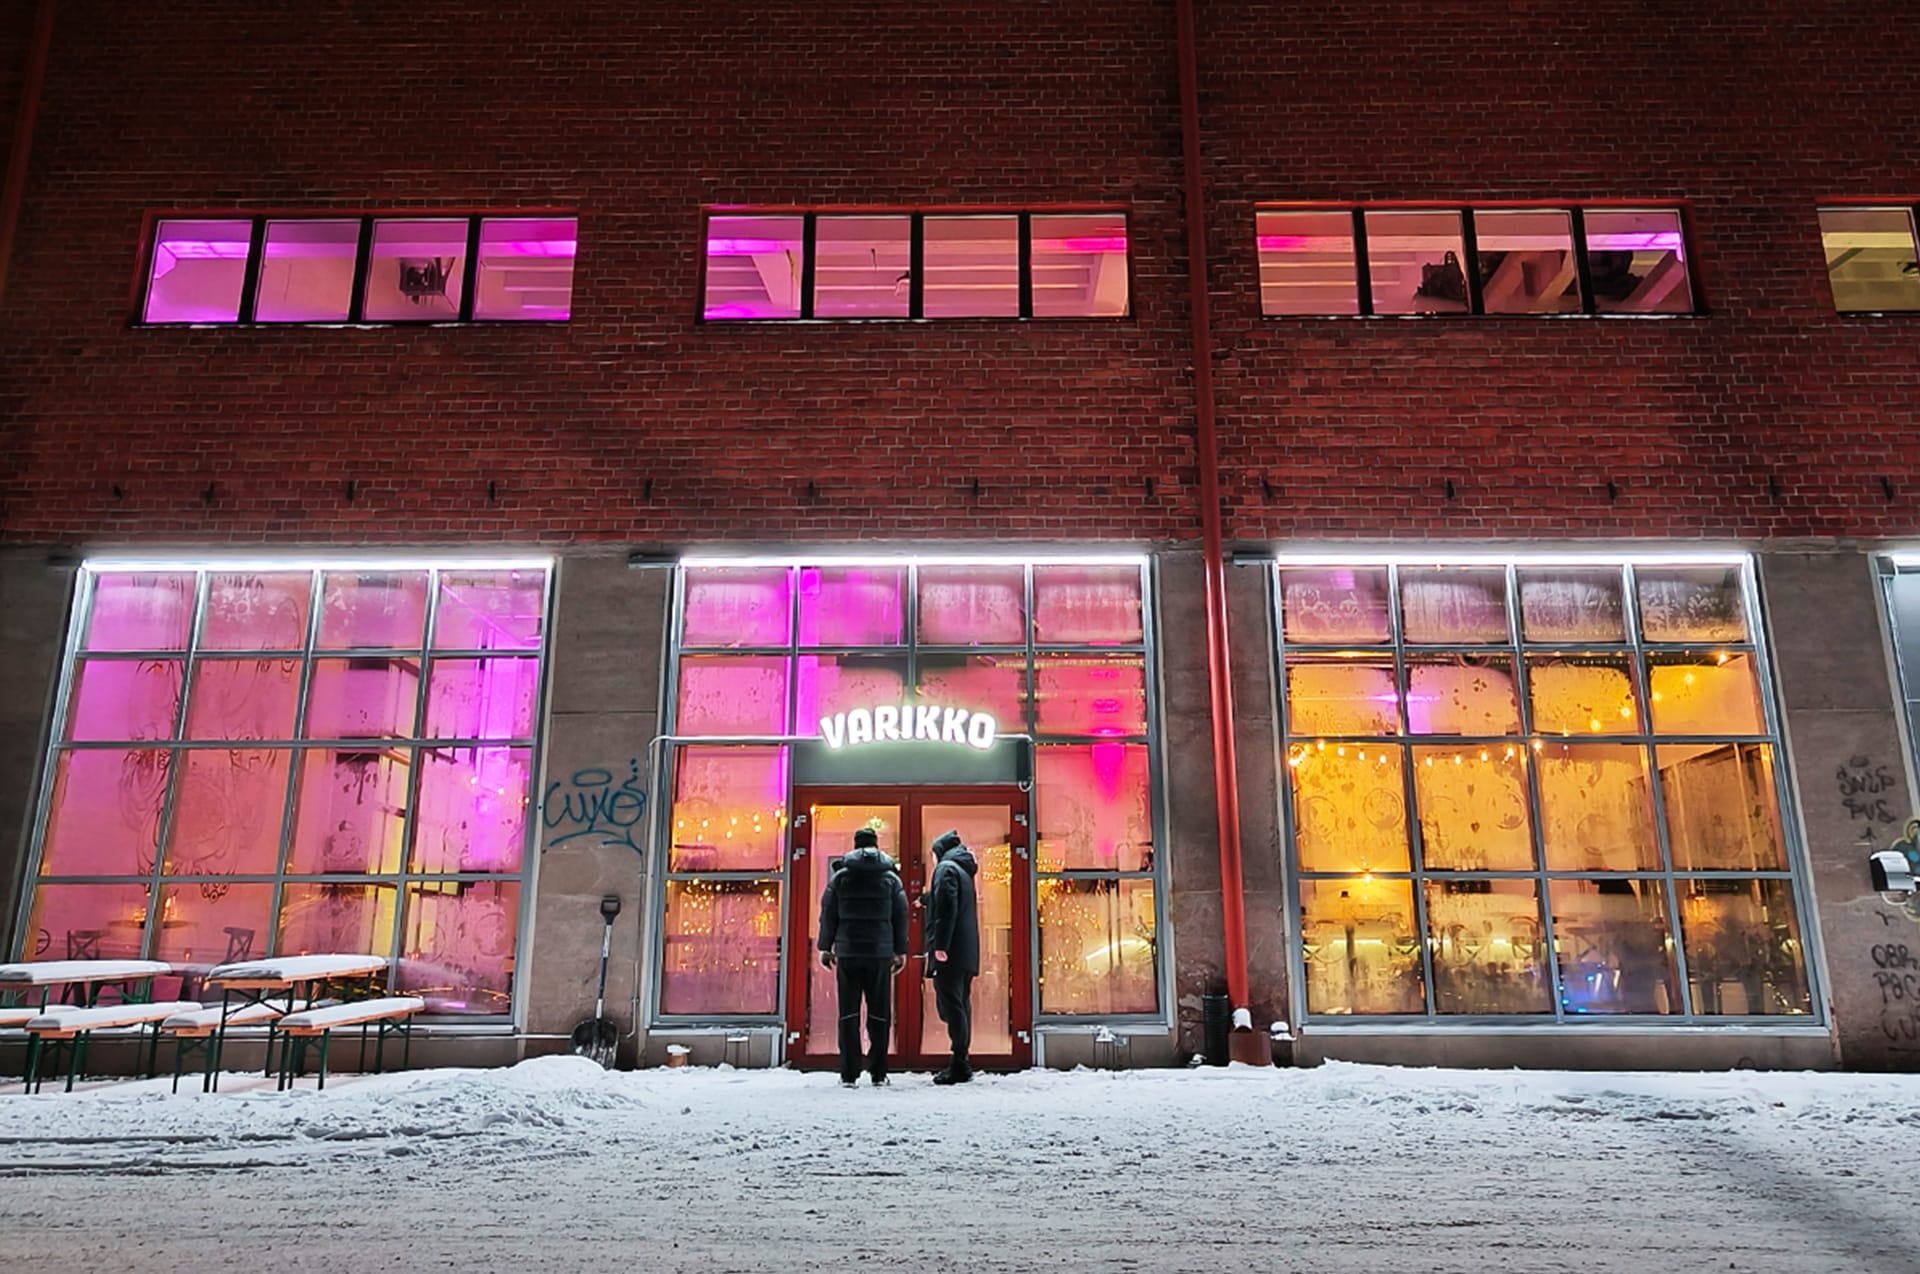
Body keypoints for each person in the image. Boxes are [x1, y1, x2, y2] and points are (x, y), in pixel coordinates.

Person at [817, 827, 908, 1086]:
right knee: (879, 1013)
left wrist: (826, 947)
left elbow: (828, 914)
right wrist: (899, 951)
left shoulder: (840, 878)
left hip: (848, 953)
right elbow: (900, 916)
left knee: (848, 1013)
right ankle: (878, 1072)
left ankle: (849, 1073)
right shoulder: (891, 879)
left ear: (855, 846)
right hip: (880, 954)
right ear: (876, 846)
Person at [924, 828, 980, 1085]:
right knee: (960, 1003)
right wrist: (928, 899)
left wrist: (940, 946)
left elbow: (947, 907)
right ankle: (961, 1058)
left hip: (951, 951)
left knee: (951, 1006)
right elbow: (949, 899)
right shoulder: (963, 871)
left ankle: (959, 1064)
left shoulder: (945, 869)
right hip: (965, 951)